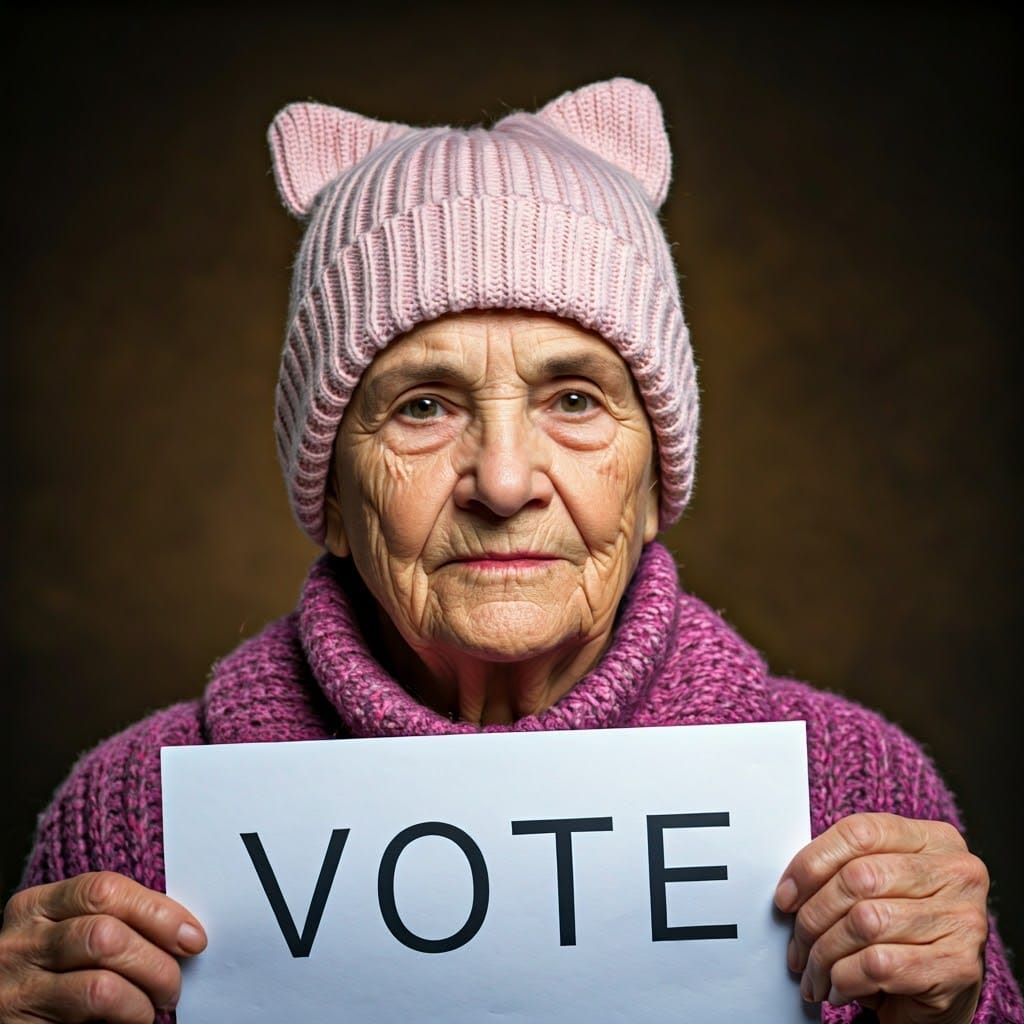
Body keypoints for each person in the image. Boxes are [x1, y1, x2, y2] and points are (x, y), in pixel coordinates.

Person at [0, 77, 1020, 1024]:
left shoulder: (852, 793)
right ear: (334, 499)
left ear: (654, 478)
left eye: (574, 400)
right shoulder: (132, 823)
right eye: (423, 405)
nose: (501, 480)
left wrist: (946, 1015)